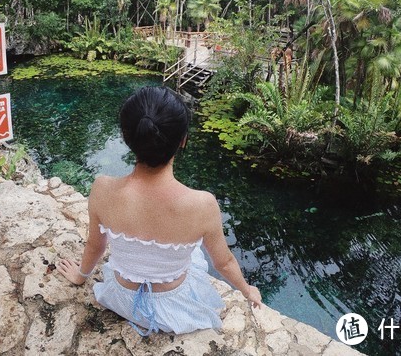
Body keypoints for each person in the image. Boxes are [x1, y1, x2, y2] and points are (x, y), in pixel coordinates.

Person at [57, 86, 262, 335]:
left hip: (121, 298)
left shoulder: (102, 188)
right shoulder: (203, 204)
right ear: (183, 139)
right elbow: (224, 262)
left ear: (126, 135)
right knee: (194, 256)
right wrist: (247, 290)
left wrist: (80, 276)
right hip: (171, 308)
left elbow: (95, 246)